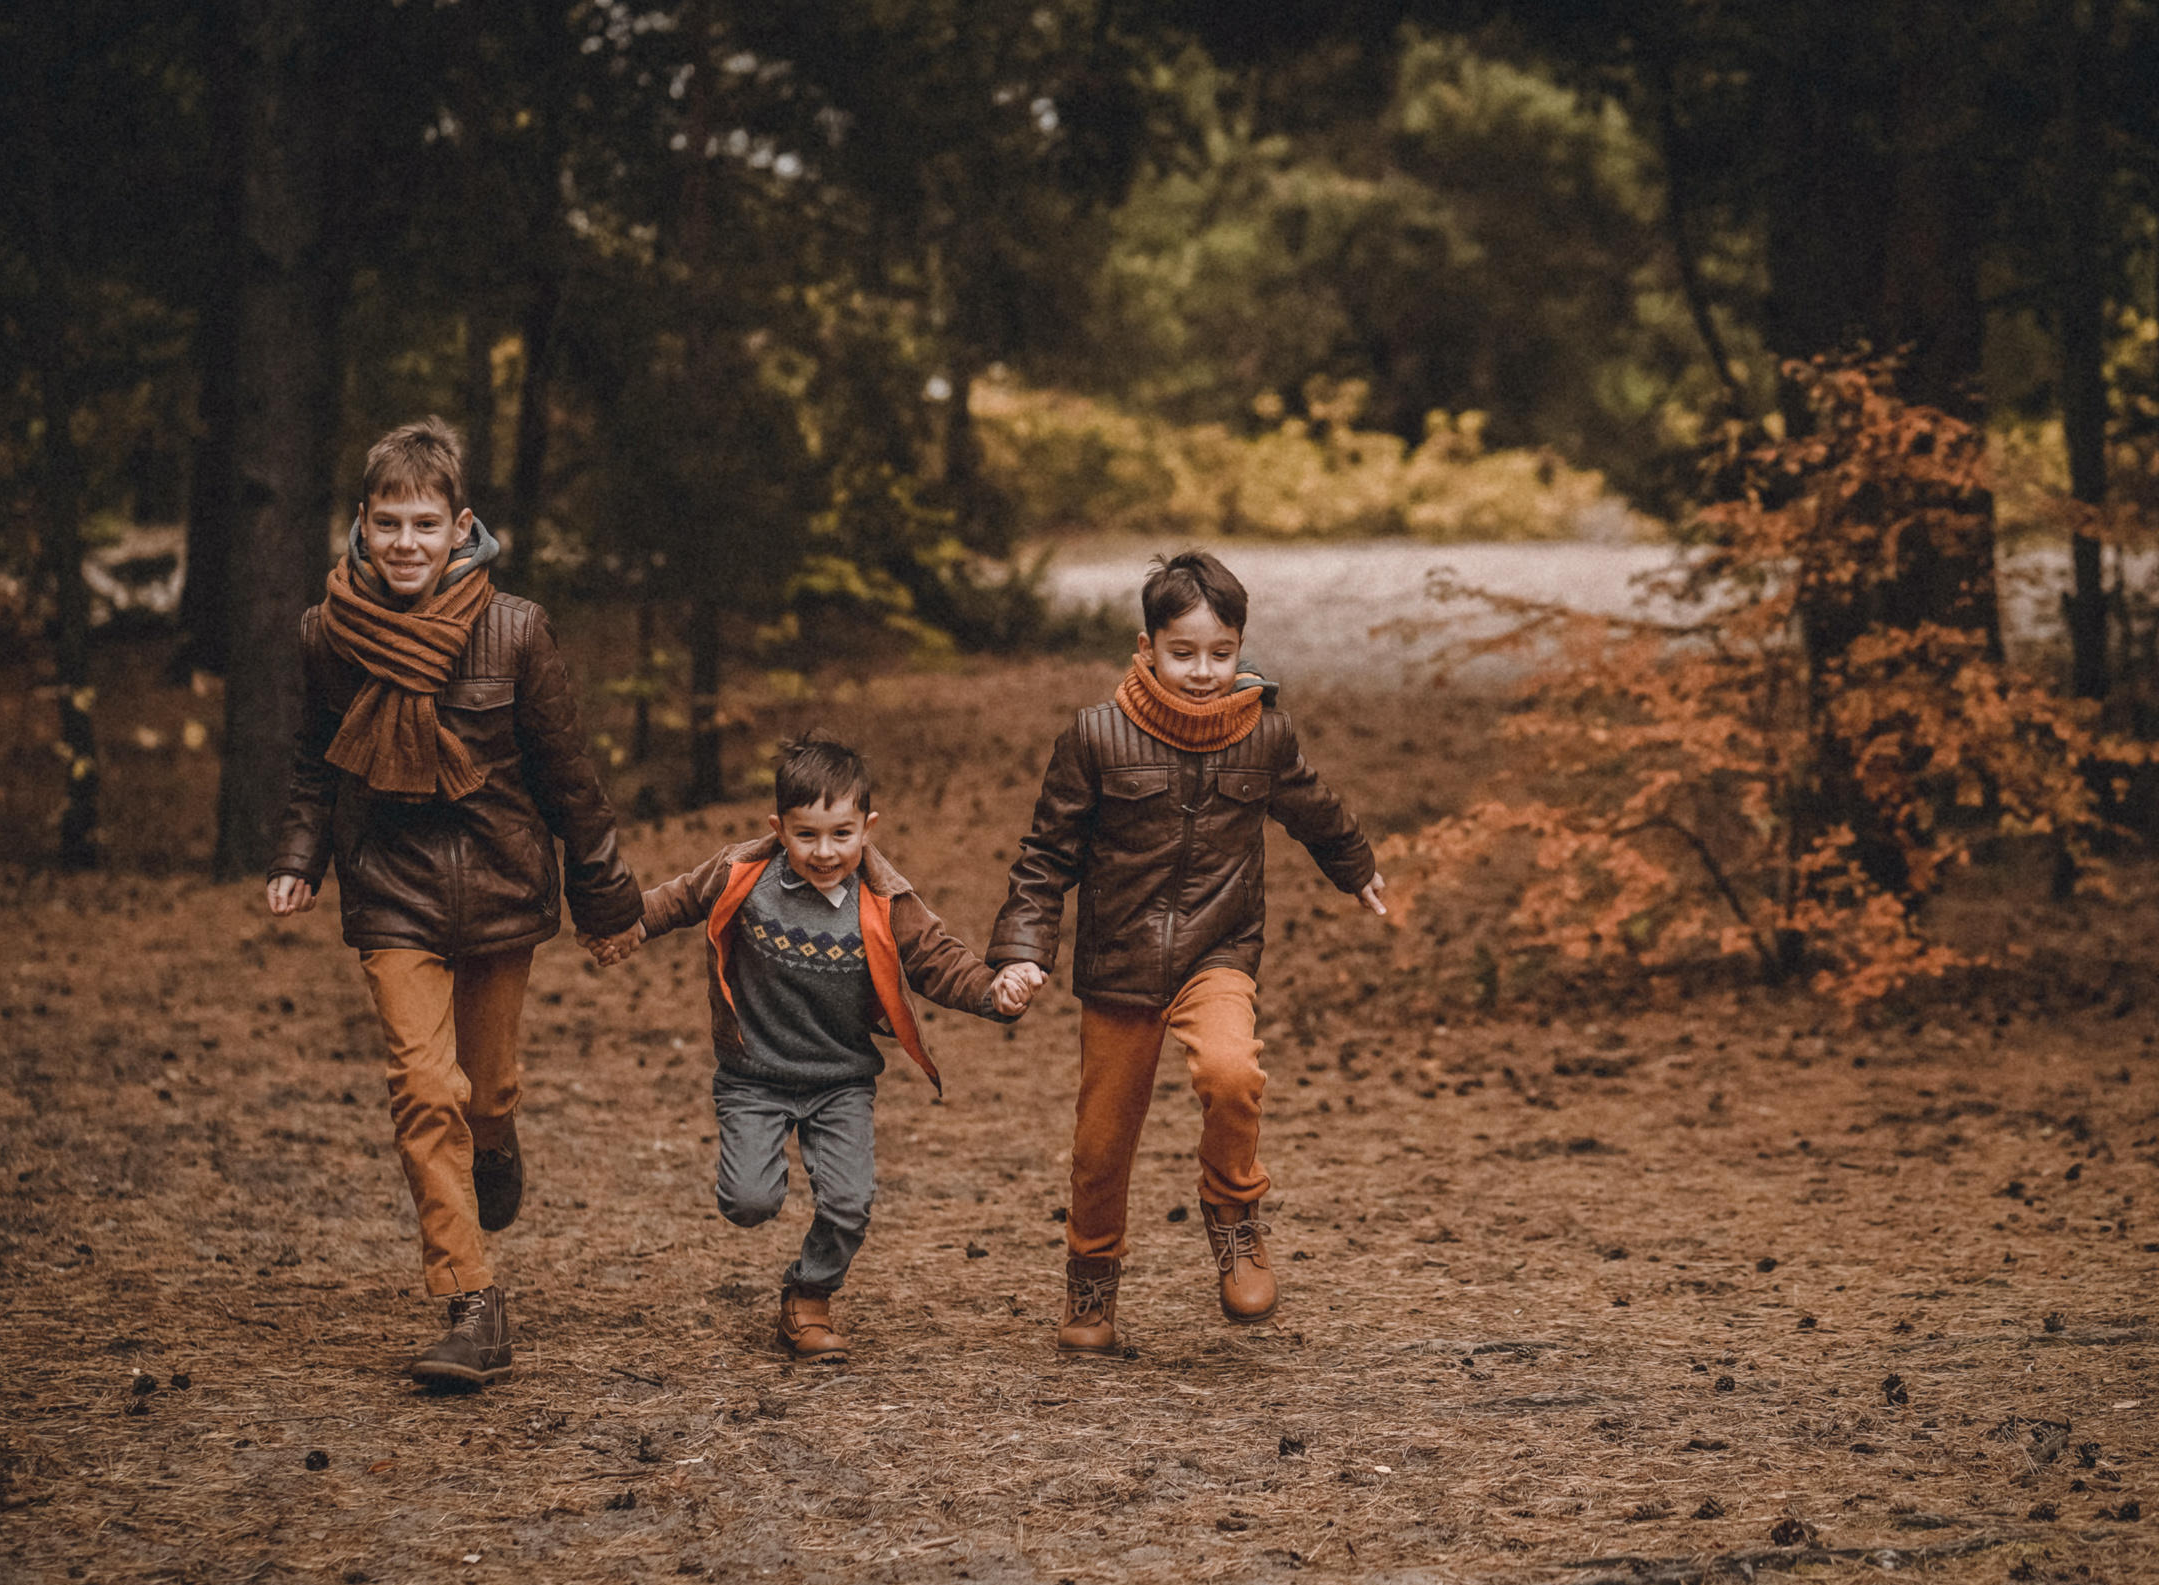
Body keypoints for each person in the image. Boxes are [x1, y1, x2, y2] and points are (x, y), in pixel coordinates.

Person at [266, 417, 640, 1388]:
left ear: (459, 525)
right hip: (389, 889)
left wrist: (606, 902)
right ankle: (471, 1300)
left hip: (502, 886)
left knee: (486, 1087)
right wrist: (300, 856)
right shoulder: (326, 634)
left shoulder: (513, 628)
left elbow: (569, 776)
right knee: (424, 1090)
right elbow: (314, 762)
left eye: (423, 522)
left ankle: (498, 1135)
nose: (403, 541)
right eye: (387, 521)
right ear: (361, 524)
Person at [989, 550, 1385, 1353]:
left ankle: (1234, 1215)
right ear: (1147, 648)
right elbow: (1045, 855)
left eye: (1220, 653)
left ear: (1240, 648)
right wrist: (1023, 947)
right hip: (1120, 962)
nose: (1203, 672)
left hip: (1218, 948)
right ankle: (1092, 1284)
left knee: (1232, 1074)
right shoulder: (1095, 737)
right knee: (1102, 1145)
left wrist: (1359, 867)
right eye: (1183, 653)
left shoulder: (1264, 735)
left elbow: (1314, 807)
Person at [587, 737, 1031, 1363]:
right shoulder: (745, 873)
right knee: (749, 1203)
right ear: (779, 828)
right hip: (753, 1076)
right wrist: (628, 925)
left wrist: (994, 990)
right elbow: (682, 897)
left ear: (867, 828)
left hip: (840, 1081)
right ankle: (759, 1193)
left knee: (849, 1204)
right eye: (807, 835)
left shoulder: (884, 900)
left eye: (842, 834)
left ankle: (810, 1295)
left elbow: (937, 961)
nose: (825, 852)